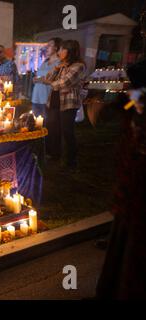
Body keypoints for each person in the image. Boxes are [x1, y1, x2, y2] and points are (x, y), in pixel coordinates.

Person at [95, 58, 146, 299]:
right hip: (131, 180)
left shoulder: (138, 100)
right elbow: (119, 109)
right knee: (124, 236)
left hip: (139, 185)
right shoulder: (132, 100)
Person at [40, 40, 86, 170]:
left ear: (69, 51)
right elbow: (48, 78)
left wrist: (49, 82)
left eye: (61, 49)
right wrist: (55, 69)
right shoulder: (60, 64)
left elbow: (64, 83)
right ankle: (54, 155)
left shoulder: (78, 66)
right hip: (54, 101)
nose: (59, 52)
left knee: (67, 132)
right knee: (52, 129)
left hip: (68, 103)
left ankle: (71, 161)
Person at [31, 38, 62, 118]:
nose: (47, 47)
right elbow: (39, 76)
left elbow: (58, 80)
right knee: (35, 124)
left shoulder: (59, 63)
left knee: (46, 125)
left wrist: (43, 80)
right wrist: (35, 79)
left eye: (50, 45)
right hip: (36, 97)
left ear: (56, 47)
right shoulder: (44, 62)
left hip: (47, 99)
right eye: (47, 45)